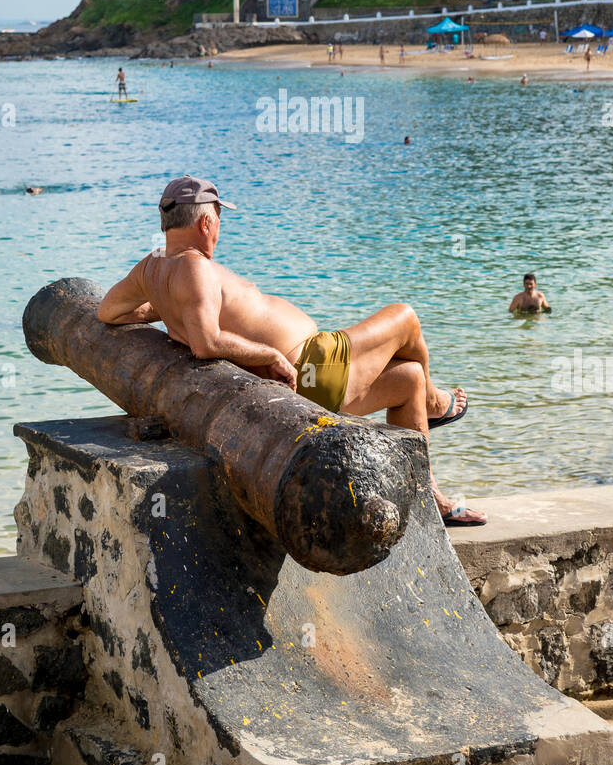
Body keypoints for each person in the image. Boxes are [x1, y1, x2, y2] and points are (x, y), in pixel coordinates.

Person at [97, 176, 486, 528]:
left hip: (312, 381)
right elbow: (205, 342)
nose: (219, 229)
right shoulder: (195, 269)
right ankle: (438, 403)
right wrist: (269, 354)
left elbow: (107, 311)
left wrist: (160, 309)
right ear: (205, 223)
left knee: (409, 380)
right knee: (405, 317)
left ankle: (427, 494)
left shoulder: (151, 267)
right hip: (310, 365)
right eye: (218, 220)